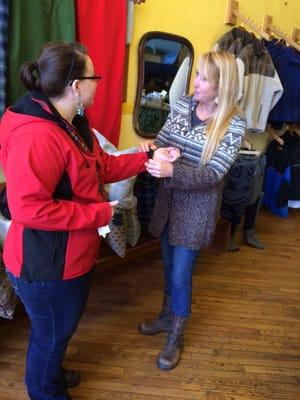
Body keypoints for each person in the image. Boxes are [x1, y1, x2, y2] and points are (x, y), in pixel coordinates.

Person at [0, 41, 179, 400]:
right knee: (49, 337)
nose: (100, 82)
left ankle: (53, 376)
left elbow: (101, 166)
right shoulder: (37, 135)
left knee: (57, 332)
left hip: (69, 258)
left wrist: (145, 157)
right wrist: (100, 212)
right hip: (47, 267)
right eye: (94, 76)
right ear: (76, 86)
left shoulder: (70, 120)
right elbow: (29, 210)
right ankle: (46, 392)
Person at [139, 51, 246, 370]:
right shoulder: (183, 105)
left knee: (181, 275)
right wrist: (155, 150)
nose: (194, 82)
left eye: (202, 78)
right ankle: (164, 315)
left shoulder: (233, 124)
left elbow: (214, 174)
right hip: (169, 203)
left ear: (221, 85)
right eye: (196, 74)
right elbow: (161, 140)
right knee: (168, 265)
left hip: (197, 211)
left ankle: (176, 335)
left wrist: (174, 171)